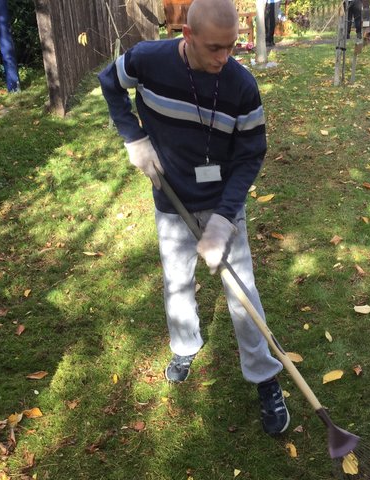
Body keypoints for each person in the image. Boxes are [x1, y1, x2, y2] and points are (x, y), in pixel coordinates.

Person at [97, 0, 290, 436]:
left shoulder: (241, 86)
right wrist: (134, 138)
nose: (225, 58)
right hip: (171, 199)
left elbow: (250, 154)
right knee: (177, 280)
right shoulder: (148, 59)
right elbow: (109, 81)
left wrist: (224, 220)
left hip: (222, 201)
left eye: (232, 47)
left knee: (241, 293)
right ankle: (185, 346)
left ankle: (264, 376)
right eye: (215, 48)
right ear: (186, 36)